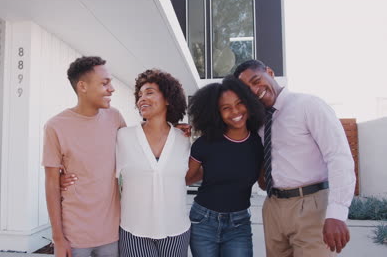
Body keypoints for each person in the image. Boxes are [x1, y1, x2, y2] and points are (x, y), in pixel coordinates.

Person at [234, 59, 356, 256]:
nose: (254, 90)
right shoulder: (258, 120)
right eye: (247, 90)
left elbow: (338, 157)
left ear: (270, 72)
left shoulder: (308, 105)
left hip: (311, 206)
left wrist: (337, 214)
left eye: (256, 81)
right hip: (273, 206)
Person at [42, 56, 125, 257]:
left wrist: (171, 131)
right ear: (83, 86)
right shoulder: (55, 126)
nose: (112, 88)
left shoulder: (115, 117)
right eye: (105, 83)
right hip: (74, 237)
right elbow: (52, 185)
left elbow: (140, 152)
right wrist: (58, 239)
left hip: (112, 234)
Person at [186, 76, 265, 257]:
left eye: (239, 104)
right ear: (216, 113)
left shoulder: (257, 143)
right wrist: (210, 171)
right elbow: (187, 178)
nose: (235, 111)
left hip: (239, 224)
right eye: (226, 108)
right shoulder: (205, 143)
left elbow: (263, 183)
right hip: (203, 221)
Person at [115, 69, 191, 257]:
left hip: (176, 231)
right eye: (139, 95)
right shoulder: (123, 136)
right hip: (133, 231)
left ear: (167, 98)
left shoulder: (183, 139)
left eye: (149, 92)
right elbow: (105, 174)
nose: (142, 99)